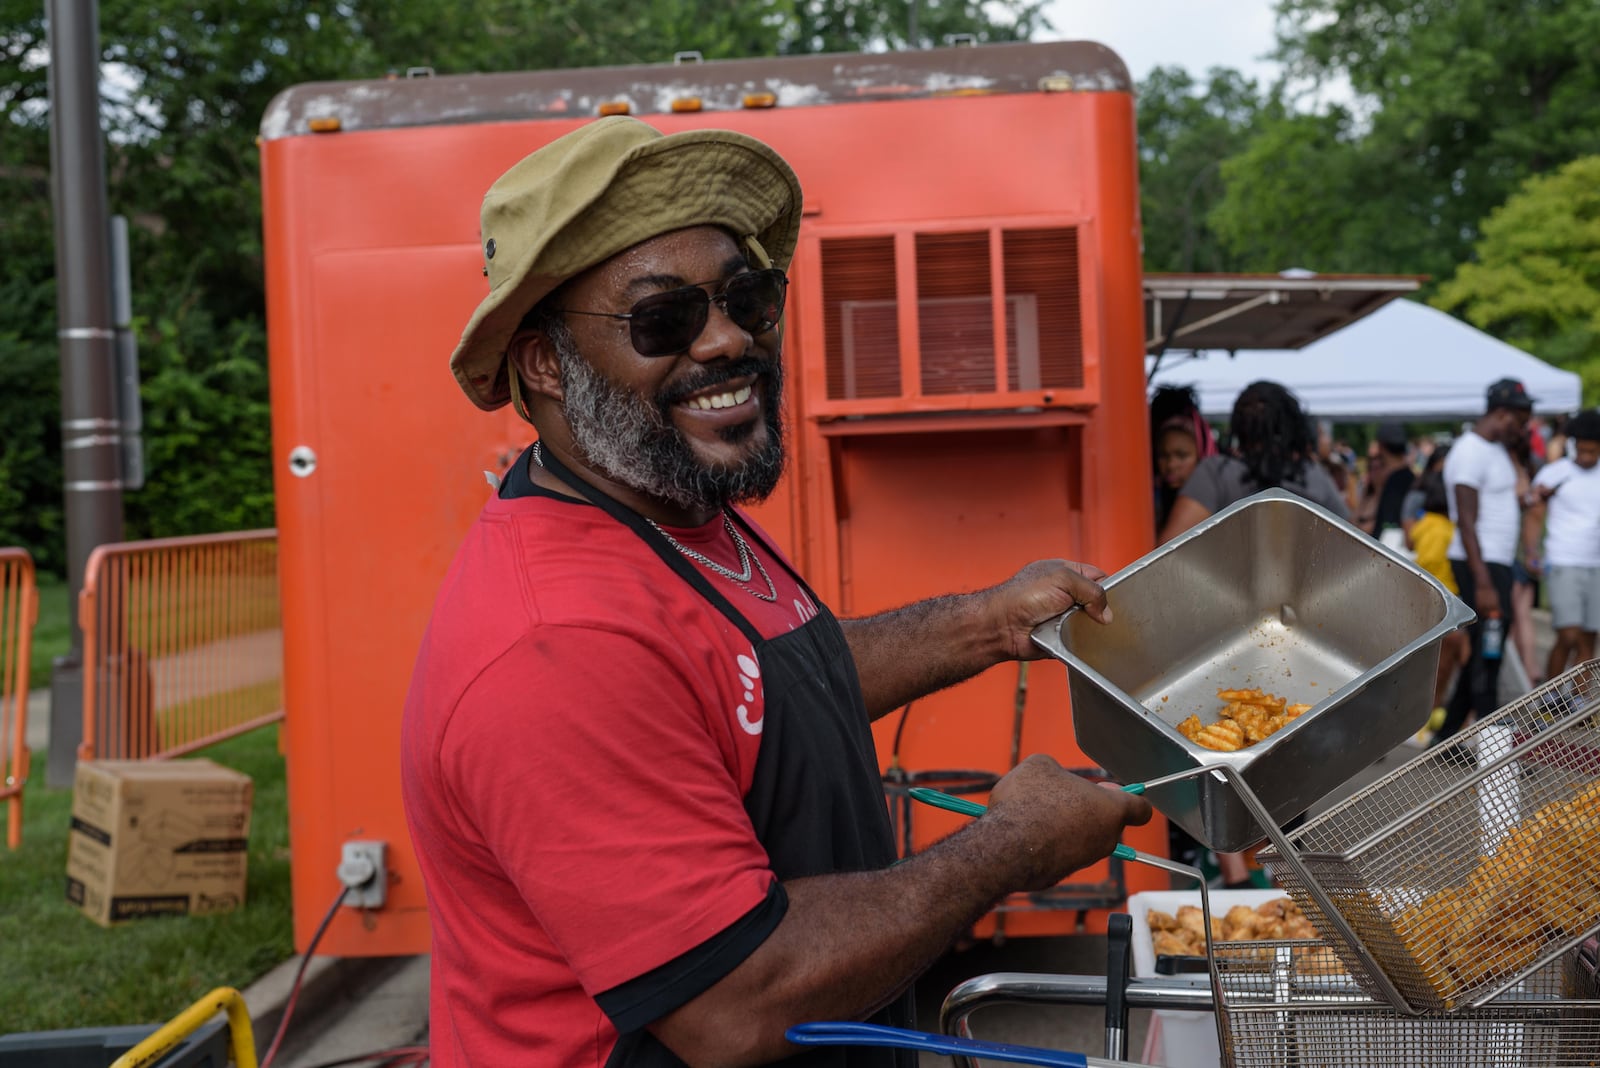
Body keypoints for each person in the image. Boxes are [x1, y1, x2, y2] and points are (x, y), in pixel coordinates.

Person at [399, 117, 1152, 1067]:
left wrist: (992, 621)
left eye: (747, 300)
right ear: (545, 363)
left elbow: (757, 691)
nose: (724, 341)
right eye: (663, 319)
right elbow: (733, 1003)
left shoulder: (668, 506)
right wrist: (1013, 846)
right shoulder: (558, 641)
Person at [1435, 378, 1534, 743]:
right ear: (1502, 414)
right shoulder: (1470, 451)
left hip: (1496, 564)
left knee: (1484, 647)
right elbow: (1466, 519)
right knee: (1488, 654)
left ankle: (1444, 741)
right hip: (1482, 566)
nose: (1523, 428)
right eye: (1520, 420)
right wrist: (1484, 583)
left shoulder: (1495, 450)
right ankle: (1495, 748)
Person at [1159, 380, 1350, 546]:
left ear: (1238, 425)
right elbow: (1354, 544)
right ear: (1290, 424)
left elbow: (1167, 551)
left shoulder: (1216, 473)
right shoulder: (1313, 476)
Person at [1523, 409, 1600, 681]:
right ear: (1573, 444)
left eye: (1593, 451)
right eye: (1582, 450)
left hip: (1595, 564)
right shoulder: (1555, 473)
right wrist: (1531, 551)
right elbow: (1534, 515)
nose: (1586, 457)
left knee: (1590, 638)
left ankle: (1580, 707)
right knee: (1568, 634)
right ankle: (1552, 696)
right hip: (1563, 560)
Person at [1407, 471, 1470, 734]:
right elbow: (1430, 563)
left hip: (1432, 599)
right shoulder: (1441, 528)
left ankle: (1437, 711)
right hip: (1444, 600)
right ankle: (1432, 712)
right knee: (1448, 658)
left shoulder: (1425, 524)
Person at [1149, 385, 1218, 533]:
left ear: (1201, 454)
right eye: (1163, 455)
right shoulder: (1151, 500)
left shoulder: (1218, 500)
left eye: (1182, 455)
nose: (1171, 465)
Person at [1355, 421, 1416, 542]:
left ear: (1381, 446)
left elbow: (1388, 524)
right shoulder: (1411, 478)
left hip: (1385, 552)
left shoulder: (1395, 482)